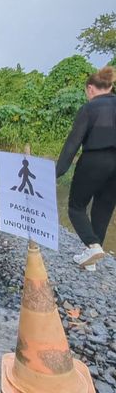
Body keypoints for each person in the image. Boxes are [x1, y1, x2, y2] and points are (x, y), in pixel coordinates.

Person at [56, 65, 116, 271]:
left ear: (90, 88)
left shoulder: (89, 108)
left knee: (76, 207)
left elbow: (73, 144)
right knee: (103, 209)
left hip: (94, 161)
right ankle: (92, 259)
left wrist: (56, 172)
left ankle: (92, 246)